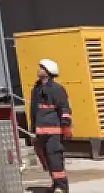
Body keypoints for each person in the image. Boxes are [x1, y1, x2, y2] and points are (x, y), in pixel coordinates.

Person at [30, 58, 72, 193]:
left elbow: (64, 108)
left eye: (41, 67)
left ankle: (62, 187)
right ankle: (55, 184)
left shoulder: (57, 89)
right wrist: (33, 129)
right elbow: (34, 111)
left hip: (54, 132)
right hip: (40, 131)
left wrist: (66, 126)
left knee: (55, 159)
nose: (39, 69)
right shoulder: (36, 89)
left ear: (48, 72)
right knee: (47, 160)